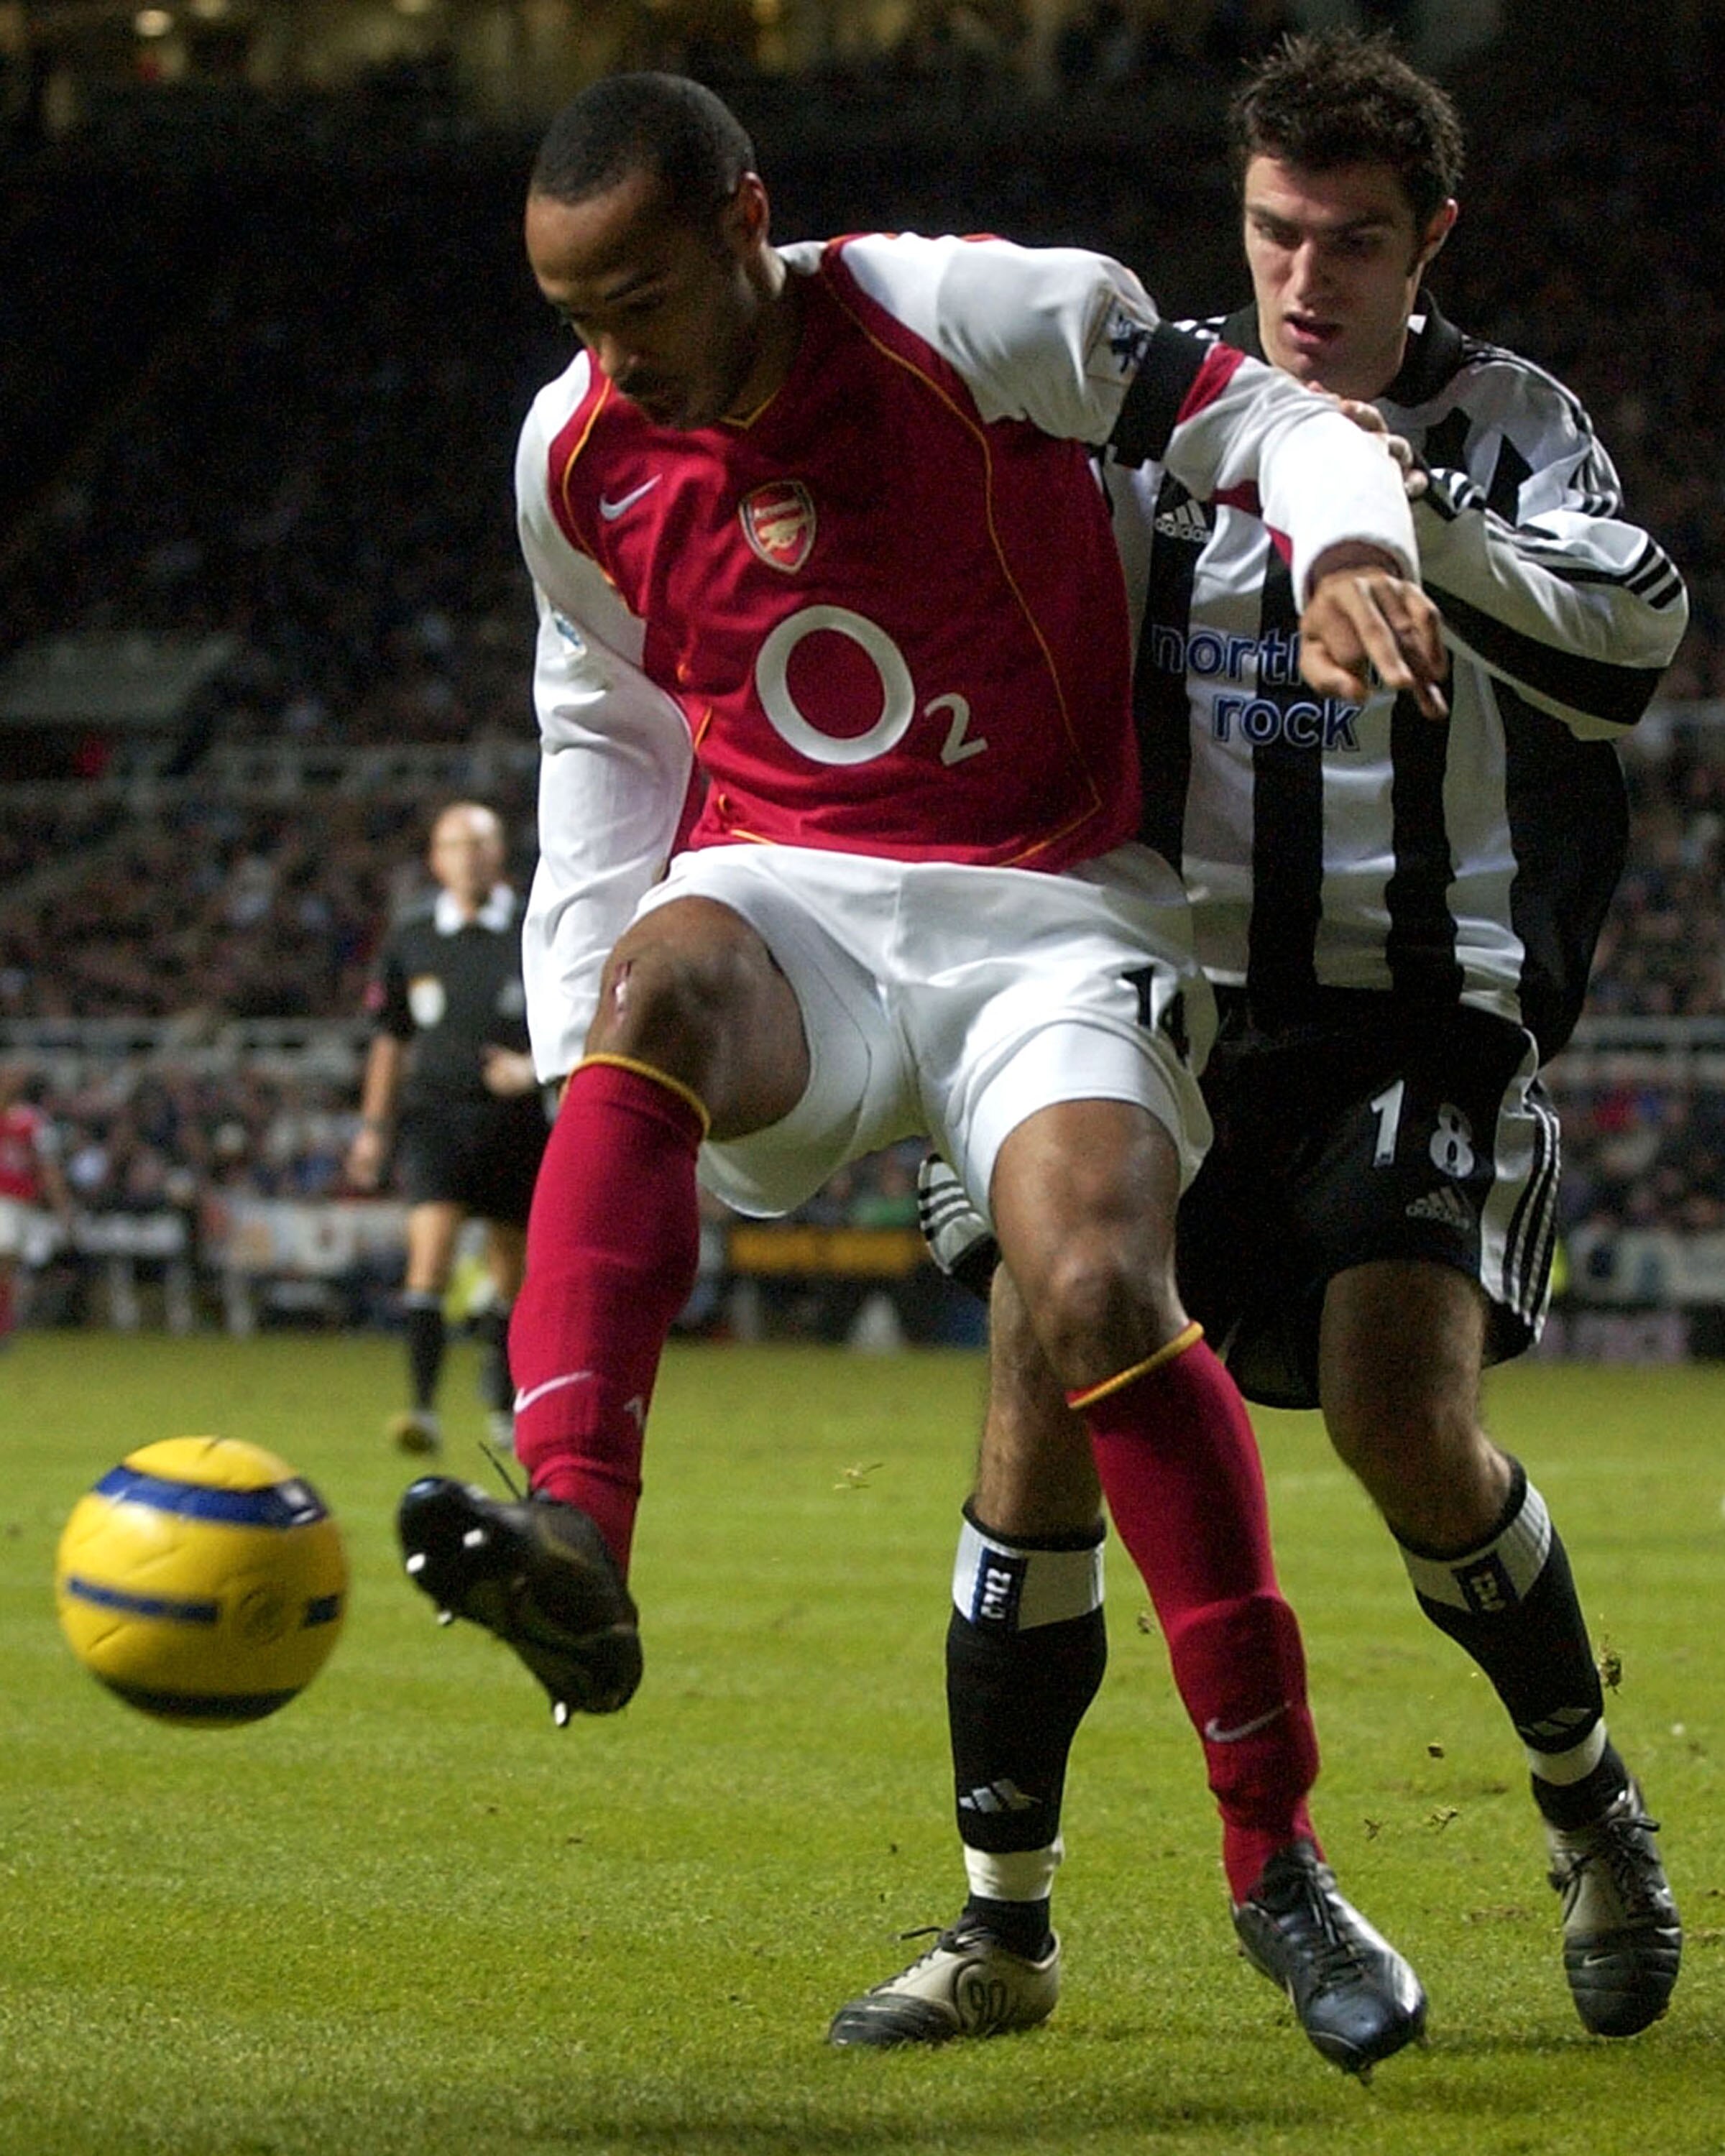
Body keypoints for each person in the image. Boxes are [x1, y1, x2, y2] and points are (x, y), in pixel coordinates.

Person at [392, 71, 1448, 2071]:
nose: (612, 358)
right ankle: (576, 1542)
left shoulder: (976, 317)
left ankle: (1274, 1856)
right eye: (574, 319)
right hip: (793, 895)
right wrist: (576, 1023)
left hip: (1057, 901)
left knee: (1097, 1292)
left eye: (641, 301)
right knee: (660, 987)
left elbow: (1278, 419)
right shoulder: (576, 452)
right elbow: (602, 735)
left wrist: (1334, 552)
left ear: (745, 224)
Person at [896, 27, 1688, 2055]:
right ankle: (1003, 1923)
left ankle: (1591, 1806)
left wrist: (1397, 527)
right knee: (1040, 1373)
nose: (1304, 281)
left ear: (1434, 236)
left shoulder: (1508, 424)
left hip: (1420, 1001)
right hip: (1162, 987)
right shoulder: (1156, 411)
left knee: (1398, 1413)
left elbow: (1635, 637)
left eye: (1350, 241)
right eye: (1273, 234)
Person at [346, 801, 551, 1455]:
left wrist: (532, 1067)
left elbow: (578, 1017)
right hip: (435, 1117)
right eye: (455, 844)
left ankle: (503, 1405)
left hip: (515, 1121)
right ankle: (422, 1409)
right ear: (436, 859)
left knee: (510, 1274)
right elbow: (390, 1041)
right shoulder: (411, 938)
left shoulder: (534, 929)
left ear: (500, 854)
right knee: (427, 1260)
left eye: (481, 843)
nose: (469, 855)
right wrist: (374, 1127)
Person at [0, 1064, 73, 1343]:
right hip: (2, 1202)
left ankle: (7, 1319)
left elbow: (48, 1167)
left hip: (25, 1203)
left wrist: (62, 1206)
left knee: (17, 1263)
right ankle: (5, 1322)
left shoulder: (32, 1121)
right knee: (5, 1252)